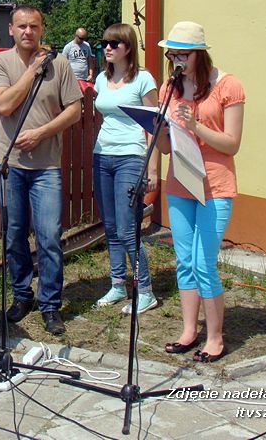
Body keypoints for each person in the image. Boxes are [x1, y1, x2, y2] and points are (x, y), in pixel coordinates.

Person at [0, 5, 83, 335]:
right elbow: (3, 104)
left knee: (49, 237)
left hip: (47, 167)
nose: (28, 31)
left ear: (42, 29)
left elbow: (74, 110)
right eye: (22, 26)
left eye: (34, 26)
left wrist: (42, 132)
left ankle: (50, 305)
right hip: (9, 165)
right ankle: (21, 294)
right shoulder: (0, 62)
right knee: (14, 235)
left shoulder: (60, 65)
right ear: (11, 29)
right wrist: (32, 71)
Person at [155, 21, 245, 363]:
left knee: (205, 262)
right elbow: (164, 148)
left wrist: (196, 126)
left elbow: (232, 144)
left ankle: (216, 337)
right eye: (172, 53)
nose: (176, 59)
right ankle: (189, 331)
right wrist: (157, 129)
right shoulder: (170, 88)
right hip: (180, 183)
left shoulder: (227, 85)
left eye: (183, 53)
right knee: (185, 261)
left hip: (215, 185)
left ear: (199, 54)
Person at [92, 23, 159, 315]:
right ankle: (118, 284)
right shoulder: (100, 80)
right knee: (110, 225)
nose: (107, 47)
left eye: (114, 43)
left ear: (128, 48)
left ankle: (145, 290)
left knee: (127, 227)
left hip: (131, 157)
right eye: (105, 42)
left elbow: (155, 128)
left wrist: (152, 169)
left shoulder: (143, 80)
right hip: (102, 156)